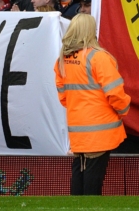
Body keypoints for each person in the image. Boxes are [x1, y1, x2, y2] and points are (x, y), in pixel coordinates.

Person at [55, 14, 130, 195]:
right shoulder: (98, 57)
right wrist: (122, 111)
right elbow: (115, 93)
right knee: (93, 181)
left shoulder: (62, 60)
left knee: (79, 172)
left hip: (77, 129)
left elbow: (63, 97)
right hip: (101, 131)